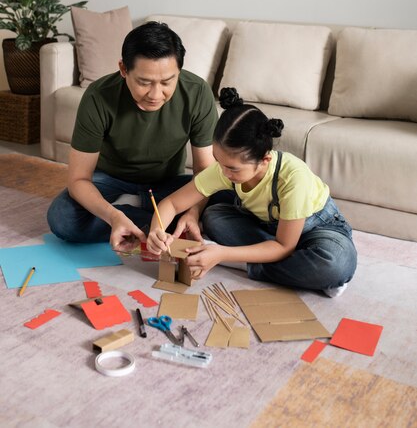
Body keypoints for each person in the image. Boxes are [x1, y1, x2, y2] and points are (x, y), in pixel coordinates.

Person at [147, 87, 357, 298]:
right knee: (214, 217)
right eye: (218, 161)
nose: (223, 172)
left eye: (233, 169)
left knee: (335, 266)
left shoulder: (293, 178)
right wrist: (157, 230)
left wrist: (223, 254)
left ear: (264, 160)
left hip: (317, 230)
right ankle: (289, 265)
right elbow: (173, 204)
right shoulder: (226, 167)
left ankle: (246, 263)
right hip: (270, 229)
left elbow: (284, 246)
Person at [47, 21, 219, 252]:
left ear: (179, 71)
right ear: (123, 69)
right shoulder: (99, 96)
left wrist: (192, 212)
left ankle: (144, 213)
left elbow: (205, 174)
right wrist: (113, 216)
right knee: (62, 218)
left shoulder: (197, 92)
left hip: (168, 183)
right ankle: (140, 217)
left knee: (227, 197)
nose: (156, 95)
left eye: (168, 82)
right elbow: (78, 180)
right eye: (144, 82)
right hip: (110, 179)